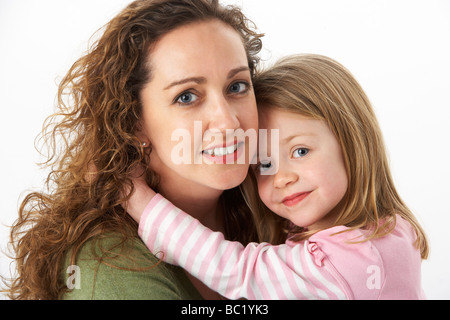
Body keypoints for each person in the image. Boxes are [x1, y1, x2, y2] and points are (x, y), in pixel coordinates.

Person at [4, 0, 266, 300]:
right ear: (132, 121)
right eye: (187, 96)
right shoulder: (111, 267)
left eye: (236, 87)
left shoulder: (274, 206)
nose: (228, 122)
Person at [127, 54, 429, 299]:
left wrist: (139, 200)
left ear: (354, 144)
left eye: (300, 152)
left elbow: (237, 270)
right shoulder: (390, 231)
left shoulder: (350, 261)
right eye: (263, 163)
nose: (281, 178)